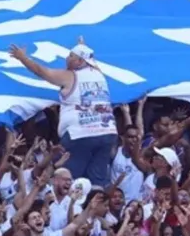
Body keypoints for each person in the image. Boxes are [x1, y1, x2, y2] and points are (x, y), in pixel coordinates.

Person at [9, 38, 117, 187]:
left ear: (80, 61)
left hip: (80, 134)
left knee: (67, 177)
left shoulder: (71, 75)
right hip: (107, 133)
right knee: (96, 181)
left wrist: (23, 58)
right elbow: (90, 58)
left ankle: (69, 206)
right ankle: (95, 202)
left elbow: (42, 71)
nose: (67, 58)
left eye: (71, 56)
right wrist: (82, 45)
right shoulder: (99, 73)